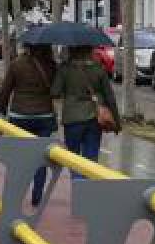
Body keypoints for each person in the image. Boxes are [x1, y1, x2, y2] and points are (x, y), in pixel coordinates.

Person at [0, 43, 58, 206]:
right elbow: (57, 91)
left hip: (19, 116)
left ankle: (15, 192)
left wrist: (1, 111)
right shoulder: (51, 65)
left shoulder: (17, 64)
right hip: (44, 116)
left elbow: (5, 90)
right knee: (41, 157)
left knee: (19, 157)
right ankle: (37, 195)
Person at [52, 44, 121, 177]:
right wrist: (116, 122)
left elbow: (55, 92)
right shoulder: (98, 70)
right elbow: (110, 97)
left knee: (73, 159)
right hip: (95, 118)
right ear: (90, 50)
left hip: (72, 118)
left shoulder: (65, 69)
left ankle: (78, 185)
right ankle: (87, 189)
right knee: (91, 160)